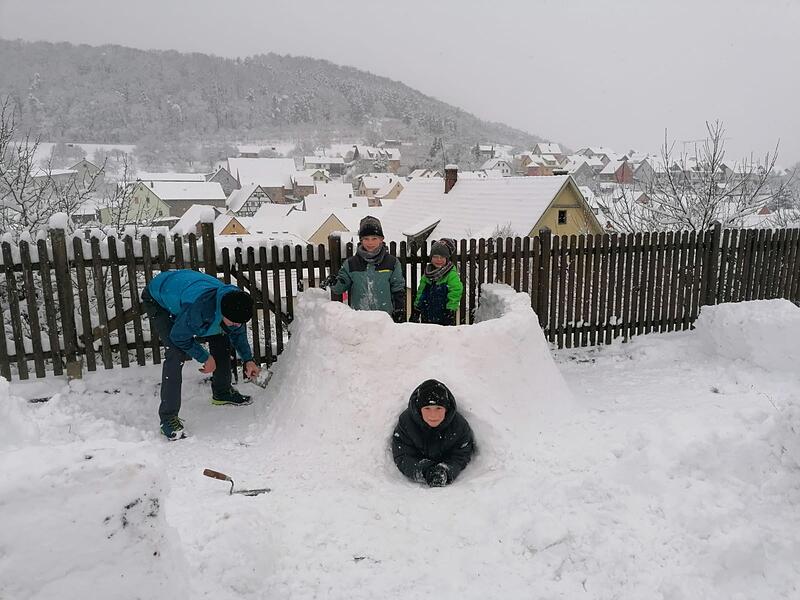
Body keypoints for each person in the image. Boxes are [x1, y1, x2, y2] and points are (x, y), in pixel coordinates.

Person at [141, 269, 261, 441]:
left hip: (188, 288)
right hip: (159, 295)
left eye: (239, 323)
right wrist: (205, 357)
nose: (237, 325)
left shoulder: (235, 304)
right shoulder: (199, 308)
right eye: (233, 321)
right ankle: (168, 418)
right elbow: (179, 336)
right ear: (222, 311)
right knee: (176, 351)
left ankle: (222, 391)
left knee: (222, 336)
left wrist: (248, 360)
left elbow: (237, 333)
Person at [391, 379, 475, 487]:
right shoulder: (407, 423)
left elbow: (461, 454)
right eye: (427, 408)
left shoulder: (458, 426)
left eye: (439, 408)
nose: (433, 415)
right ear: (419, 409)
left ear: (446, 408)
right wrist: (425, 470)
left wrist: (446, 470)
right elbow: (402, 455)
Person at [324, 215, 406, 322]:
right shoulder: (351, 264)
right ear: (361, 240)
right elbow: (341, 286)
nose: (370, 242)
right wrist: (334, 283)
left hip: (384, 320)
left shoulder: (392, 263)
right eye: (366, 239)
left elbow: (398, 288)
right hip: (359, 321)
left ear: (381, 239)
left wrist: (399, 309)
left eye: (374, 238)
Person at [410, 239, 463, 326]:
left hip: (443, 315)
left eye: (442, 257)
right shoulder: (427, 274)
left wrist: (450, 310)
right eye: (435, 257)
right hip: (427, 315)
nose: (438, 260)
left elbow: (455, 291)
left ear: (447, 258)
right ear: (431, 258)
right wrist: (417, 309)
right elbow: (421, 292)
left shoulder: (450, 274)